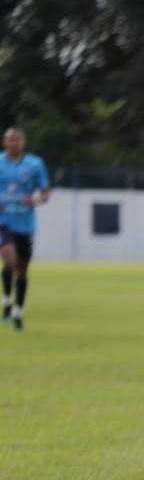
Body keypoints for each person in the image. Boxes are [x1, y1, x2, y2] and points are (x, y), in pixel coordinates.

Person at [0, 127, 51, 332]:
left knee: (22, 270)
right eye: (10, 140)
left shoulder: (35, 164)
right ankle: (6, 299)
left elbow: (46, 193)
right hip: (3, 222)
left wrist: (35, 200)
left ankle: (17, 311)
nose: (14, 143)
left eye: (17, 139)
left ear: (23, 142)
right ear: (5, 143)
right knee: (9, 260)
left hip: (25, 224)